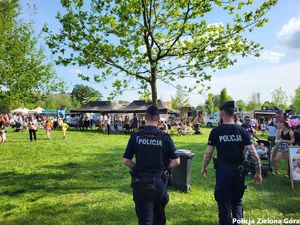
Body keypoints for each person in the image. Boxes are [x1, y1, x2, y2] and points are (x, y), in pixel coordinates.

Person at [201, 101, 262, 225]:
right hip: (239, 172)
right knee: (237, 201)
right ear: (233, 114)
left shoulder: (216, 131)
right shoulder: (242, 131)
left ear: (222, 114)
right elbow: (254, 154)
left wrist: (204, 167)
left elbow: (208, 153)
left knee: (223, 202)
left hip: (223, 171)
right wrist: (258, 172)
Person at [123, 105, 180, 225]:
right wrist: (165, 169)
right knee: (159, 217)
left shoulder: (136, 136)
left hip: (142, 181)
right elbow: (176, 161)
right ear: (158, 118)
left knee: (145, 219)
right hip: (160, 181)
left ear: (145, 117)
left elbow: (126, 160)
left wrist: (138, 168)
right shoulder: (165, 138)